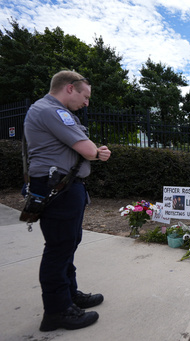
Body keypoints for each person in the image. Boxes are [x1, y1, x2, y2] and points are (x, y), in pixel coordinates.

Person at [24, 70, 111, 332]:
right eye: (85, 96)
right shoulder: (52, 111)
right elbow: (88, 150)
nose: (87, 103)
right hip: (58, 188)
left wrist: (94, 152)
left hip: (64, 186)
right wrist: (95, 152)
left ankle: (69, 296)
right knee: (59, 248)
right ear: (70, 88)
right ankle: (56, 311)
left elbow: (89, 150)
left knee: (68, 244)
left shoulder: (54, 111)